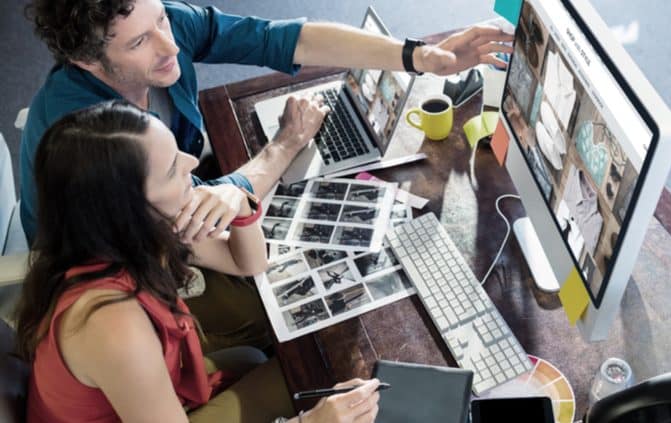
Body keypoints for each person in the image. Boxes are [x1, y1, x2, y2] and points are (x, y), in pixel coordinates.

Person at [20, 0, 512, 352]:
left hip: (172, 213)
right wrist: (285, 144)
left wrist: (418, 57)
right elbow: (197, 213)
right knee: (320, 319)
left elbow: (284, 38)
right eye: (140, 41)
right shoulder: (88, 132)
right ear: (87, 60)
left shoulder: (154, 24)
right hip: (127, 273)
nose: (170, 44)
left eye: (163, 19)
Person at [15, 101, 381, 423]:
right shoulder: (111, 325)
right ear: (130, 208)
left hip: (150, 394)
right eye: (173, 168)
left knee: (296, 370)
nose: (192, 163)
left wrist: (238, 201)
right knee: (319, 381)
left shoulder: (126, 231)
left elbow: (249, 263)